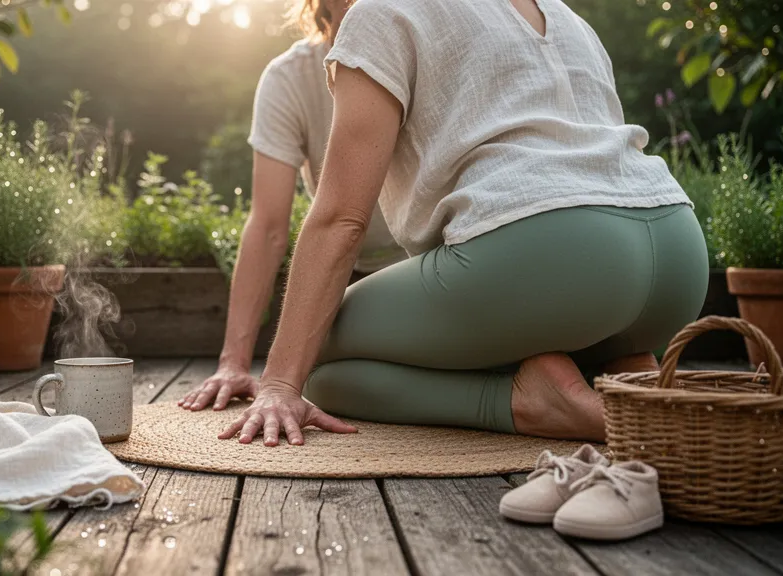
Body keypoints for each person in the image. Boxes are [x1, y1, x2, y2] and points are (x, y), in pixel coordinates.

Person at [182, 0, 708, 446]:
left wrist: (277, 385)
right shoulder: (560, 13)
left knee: (316, 364)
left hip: (552, 261)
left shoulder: (378, 11)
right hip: (677, 259)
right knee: (341, 366)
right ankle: (622, 373)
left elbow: (342, 217)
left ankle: (524, 402)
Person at [180, 0, 406, 412]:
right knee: (321, 380)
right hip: (341, 272)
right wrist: (233, 363)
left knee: (331, 379)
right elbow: (267, 225)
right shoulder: (288, 77)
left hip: (427, 259)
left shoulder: (419, 46)